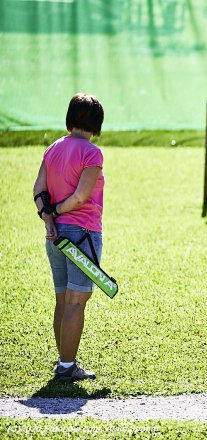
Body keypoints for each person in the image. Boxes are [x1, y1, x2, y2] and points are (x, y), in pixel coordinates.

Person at [33, 93, 106, 381]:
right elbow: (79, 198)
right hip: (83, 235)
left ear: (70, 118)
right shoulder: (92, 153)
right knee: (76, 300)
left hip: (55, 236)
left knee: (63, 300)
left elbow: (38, 190)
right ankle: (66, 367)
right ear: (97, 123)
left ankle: (63, 361)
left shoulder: (52, 149)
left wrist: (49, 218)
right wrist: (58, 211)